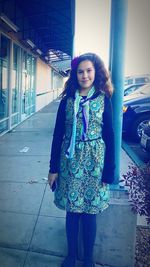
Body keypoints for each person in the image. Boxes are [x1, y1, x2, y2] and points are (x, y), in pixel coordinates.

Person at [48, 52, 115, 267]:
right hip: (69, 163)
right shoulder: (67, 101)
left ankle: (88, 260)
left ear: (96, 72)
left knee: (89, 213)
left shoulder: (104, 100)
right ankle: (71, 256)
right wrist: (53, 168)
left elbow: (110, 136)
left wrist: (109, 170)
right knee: (72, 211)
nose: (84, 75)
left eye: (88, 70)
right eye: (80, 71)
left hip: (95, 165)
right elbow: (58, 135)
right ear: (75, 74)